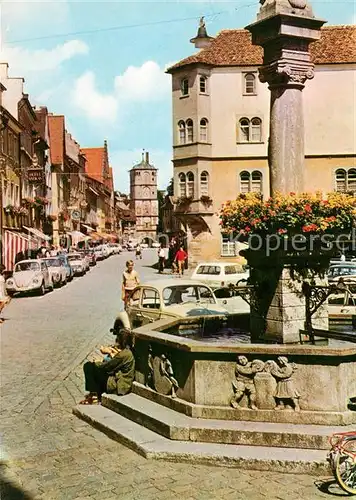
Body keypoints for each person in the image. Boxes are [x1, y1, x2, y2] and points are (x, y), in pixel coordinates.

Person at [80, 330, 135, 404]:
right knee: (97, 368)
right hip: (124, 382)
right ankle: (94, 394)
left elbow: (106, 367)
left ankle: (94, 396)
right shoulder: (128, 352)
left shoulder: (124, 355)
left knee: (89, 366)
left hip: (120, 385)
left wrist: (96, 362)